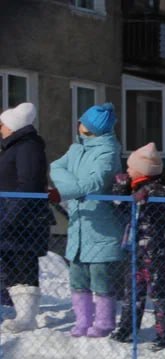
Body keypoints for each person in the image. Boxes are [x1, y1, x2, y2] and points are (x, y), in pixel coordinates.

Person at [49, 103, 124, 338]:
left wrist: (64, 191)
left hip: (101, 226)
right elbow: (55, 166)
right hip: (79, 222)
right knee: (77, 276)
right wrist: (72, 185)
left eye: (82, 121)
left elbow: (94, 183)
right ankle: (82, 320)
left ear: (90, 127)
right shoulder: (75, 149)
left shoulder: (108, 152)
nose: (78, 124)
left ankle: (104, 321)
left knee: (100, 277)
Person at [109, 143, 165, 349]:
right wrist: (121, 189)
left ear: (142, 170)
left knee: (159, 290)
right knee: (132, 289)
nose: (128, 171)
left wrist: (149, 194)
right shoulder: (133, 188)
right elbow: (119, 205)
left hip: (157, 249)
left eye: (131, 168)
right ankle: (127, 329)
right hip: (136, 248)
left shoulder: (160, 188)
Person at [0, 102, 53, 333]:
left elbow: (28, 184)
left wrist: (11, 217)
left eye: (2, 124)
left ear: (12, 126)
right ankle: (20, 313)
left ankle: (27, 317)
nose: (0, 128)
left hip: (24, 219)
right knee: (12, 263)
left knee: (23, 262)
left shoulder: (28, 147)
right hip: (10, 214)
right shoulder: (14, 147)